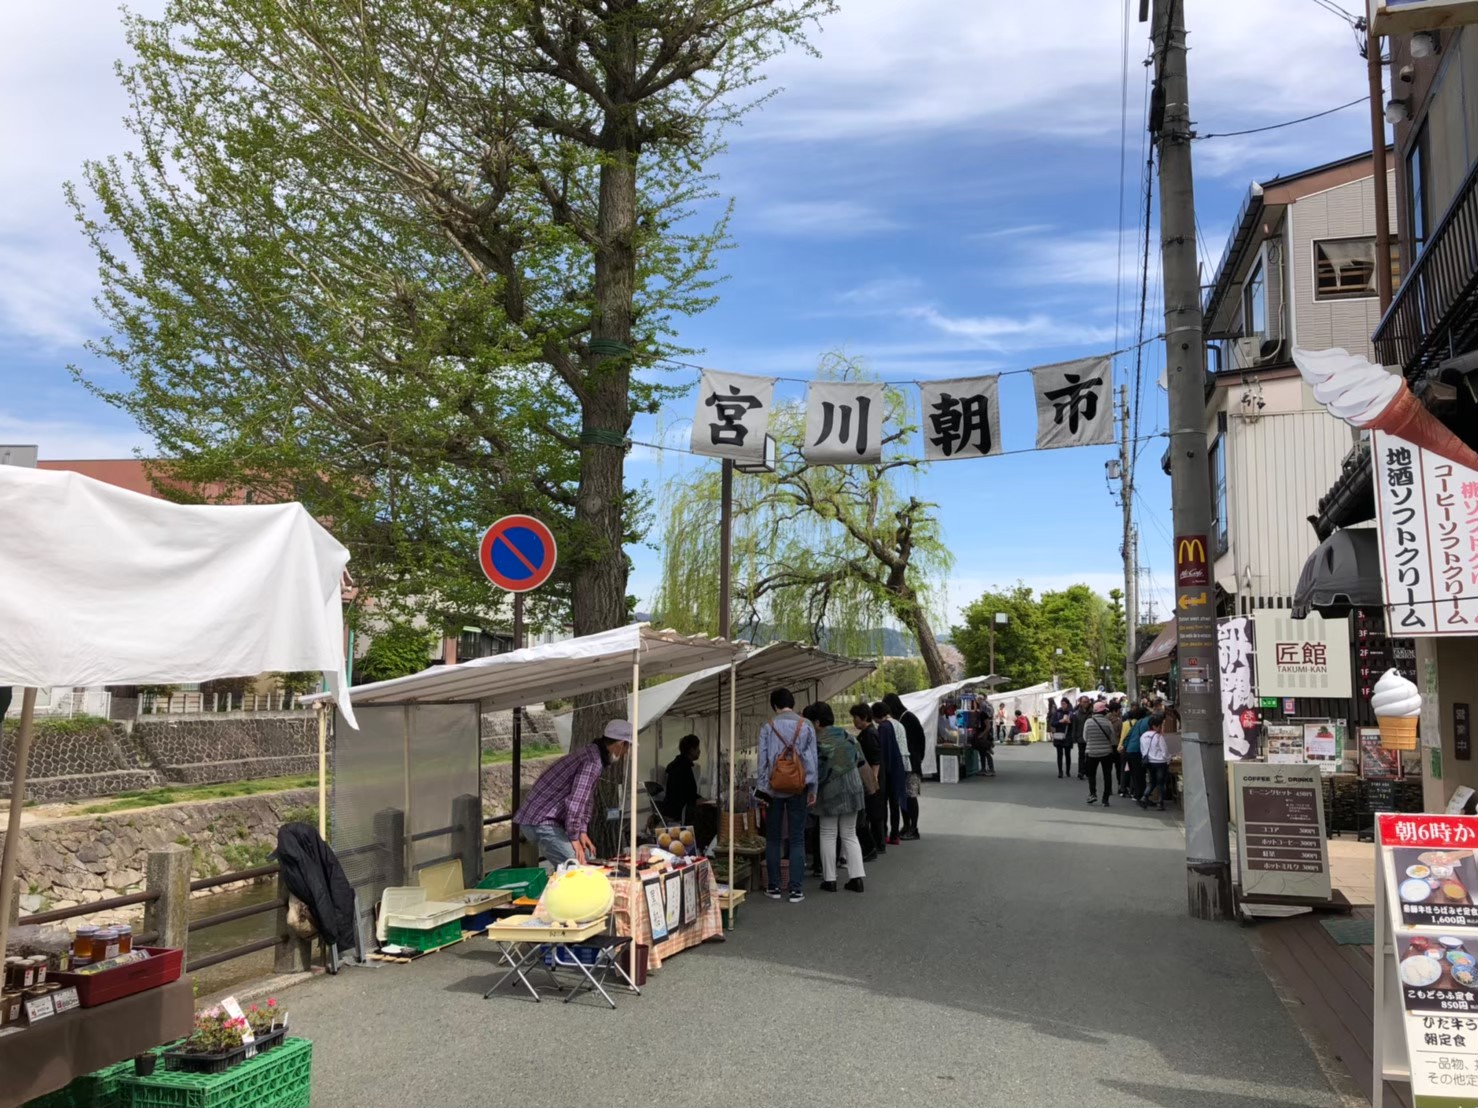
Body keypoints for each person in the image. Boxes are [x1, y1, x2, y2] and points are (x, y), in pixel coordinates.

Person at [514, 719, 631, 864]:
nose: (627, 753)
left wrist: (582, 831)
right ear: (620, 744)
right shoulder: (592, 762)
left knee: (588, 858)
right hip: (541, 820)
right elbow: (575, 802)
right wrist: (574, 837)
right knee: (578, 867)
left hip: (543, 817)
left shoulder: (592, 753)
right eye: (628, 747)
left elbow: (586, 799)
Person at [756, 687, 817, 902]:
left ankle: (773, 887)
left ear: (774, 706)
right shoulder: (806, 725)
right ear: (792, 703)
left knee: (772, 839)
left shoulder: (768, 727)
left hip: (774, 788)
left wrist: (763, 788)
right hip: (798, 787)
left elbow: (762, 761)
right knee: (797, 838)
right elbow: (811, 761)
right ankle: (796, 890)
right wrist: (812, 788)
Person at [814, 703, 867, 893]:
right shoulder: (848, 736)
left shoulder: (818, 741)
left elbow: (817, 772)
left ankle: (830, 880)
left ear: (817, 722)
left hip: (831, 790)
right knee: (850, 833)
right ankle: (857, 878)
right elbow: (860, 761)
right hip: (854, 787)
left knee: (828, 833)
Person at [884, 692, 925, 840]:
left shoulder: (908, 718)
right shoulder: (900, 719)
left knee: (910, 796)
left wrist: (917, 759)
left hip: (911, 764)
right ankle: (906, 825)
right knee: (903, 797)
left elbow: (920, 740)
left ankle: (914, 827)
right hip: (906, 763)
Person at [851, 703, 887, 857]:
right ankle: (876, 844)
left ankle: (876, 845)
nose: (854, 721)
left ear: (864, 717)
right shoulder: (867, 733)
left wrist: (873, 781)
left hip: (872, 781)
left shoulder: (870, 734)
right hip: (871, 780)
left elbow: (875, 760)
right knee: (873, 814)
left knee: (873, 814)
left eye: (855, 718)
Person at [872, 700, 910, 845]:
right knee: (895, 804)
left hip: (888, 771)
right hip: (898, 767)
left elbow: (882, 753)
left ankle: (884, 834)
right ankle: (895, 834)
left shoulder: (883, 728)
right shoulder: (895, 724)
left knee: (884, 804)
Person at [659, 734, 703, 823]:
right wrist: (701, 800)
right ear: (691, 750)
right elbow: (686, 795)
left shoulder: (676, 764)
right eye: (697, 748)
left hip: (670, 809)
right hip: (678, 812)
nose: (699, 751)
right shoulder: (683, 768)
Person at [1081, 700, 1118, 806]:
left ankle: (1093, 794)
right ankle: (1105, 799)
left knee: (1091, 775)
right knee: (1107, 775)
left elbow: (1085, 738)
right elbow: (1113, 740)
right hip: (1106, 753)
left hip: (1091, 752)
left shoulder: (1088, 722)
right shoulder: (1108, 723)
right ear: (1104, 712)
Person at [1140, 712, 1170, 811]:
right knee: (1160, 783)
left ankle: (1144, 797)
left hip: (1149, 762)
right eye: (1159, 726)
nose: (1161, 728)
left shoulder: (1143, 736)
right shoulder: (1158, 737)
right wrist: (1168, 759)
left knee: (1152, 782)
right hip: (1160, 762)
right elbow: (1164, 751)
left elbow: (1143, 750)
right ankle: (1160, 803)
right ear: (1154, 726)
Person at [1050, 696, 1073, 778]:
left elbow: (1074, 724)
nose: (1063, 705)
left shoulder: (1071, 712)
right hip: (1059, 735)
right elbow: (1052, 723)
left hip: (1068, 735)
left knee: (1068, 754)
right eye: (1062, 703)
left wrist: (1069, 722)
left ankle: (1068, 771)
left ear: (1067, 704)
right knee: (1059, 754)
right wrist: (1060, 721)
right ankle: (1060, 771)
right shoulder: (1057, 712)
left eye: (1064, 703)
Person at [1070, 696, 1090, 780]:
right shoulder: (1077, 713)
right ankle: (1081, 771)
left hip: (1090, 737)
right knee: (1081, 754)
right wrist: (1074, 737)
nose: (1085, 703)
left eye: (1087, 702)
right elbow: (1074, 726)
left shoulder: (1092, 712)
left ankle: (1087, 770)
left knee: (1088, 755)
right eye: (1084, 702)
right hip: (1080, 737)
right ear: (1080, 703)